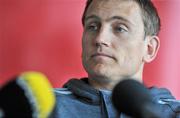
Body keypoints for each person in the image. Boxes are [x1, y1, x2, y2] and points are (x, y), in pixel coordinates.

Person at [52, 0, 180, 117]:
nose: (100, 39)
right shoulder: (42, 108)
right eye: (92, 26)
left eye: (120, 28)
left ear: (149, 49)